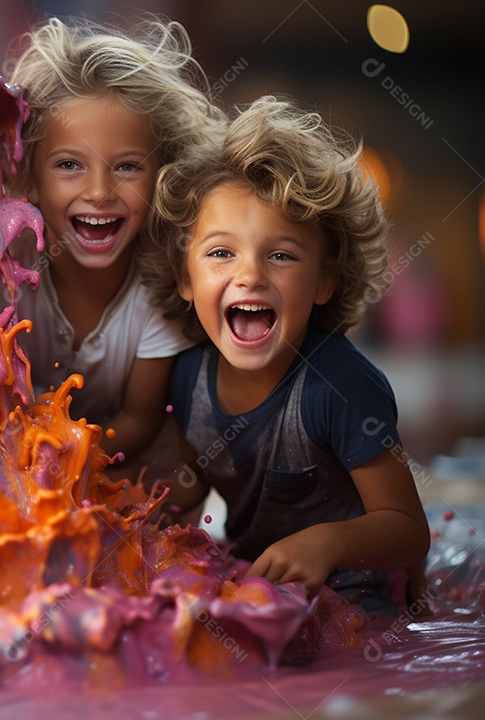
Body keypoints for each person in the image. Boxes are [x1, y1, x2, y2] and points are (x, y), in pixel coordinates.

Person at [144, 95, 430, 611]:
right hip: (262, 595)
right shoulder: (187, 377)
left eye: (280, 255)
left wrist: (329, 542)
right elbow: (185, 492)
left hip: (359, 605)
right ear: (185, 277)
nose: (250, 274)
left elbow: (410, 530)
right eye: (221, 253)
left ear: (324, 280)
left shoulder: (338, 385)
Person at [0, 17, 225, 467]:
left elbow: (140, 419)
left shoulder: (163, 285)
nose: (100, 191)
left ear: (164, 177)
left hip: (122, 477)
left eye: (127, 167)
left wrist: (66, 462)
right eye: (69, 165)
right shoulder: (4, 269)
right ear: (30, 177)